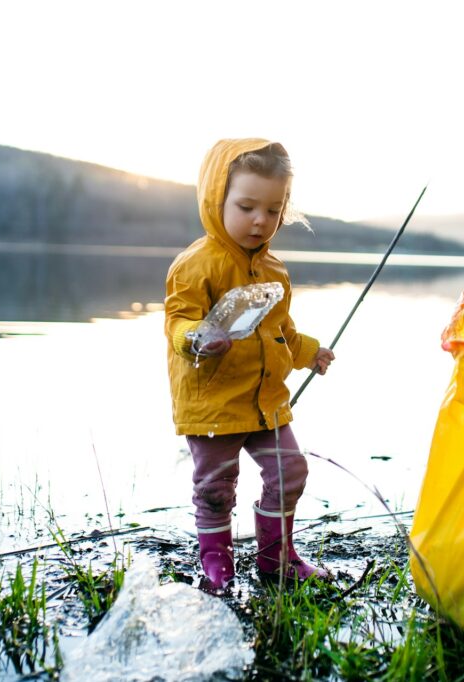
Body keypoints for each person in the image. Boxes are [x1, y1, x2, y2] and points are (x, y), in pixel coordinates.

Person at [164, 138, 335, 589]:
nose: (261, 220)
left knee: (290, 471)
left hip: (265, 403)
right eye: (246, 207)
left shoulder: (275, 271)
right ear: (216, 199)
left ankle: (276, 557)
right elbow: (178, 320)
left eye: (273, 210)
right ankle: (216, 564)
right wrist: (196, 338)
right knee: (215, 488)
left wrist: (309, 352)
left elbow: (281, 331)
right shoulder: (196, 265)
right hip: (214, 404)